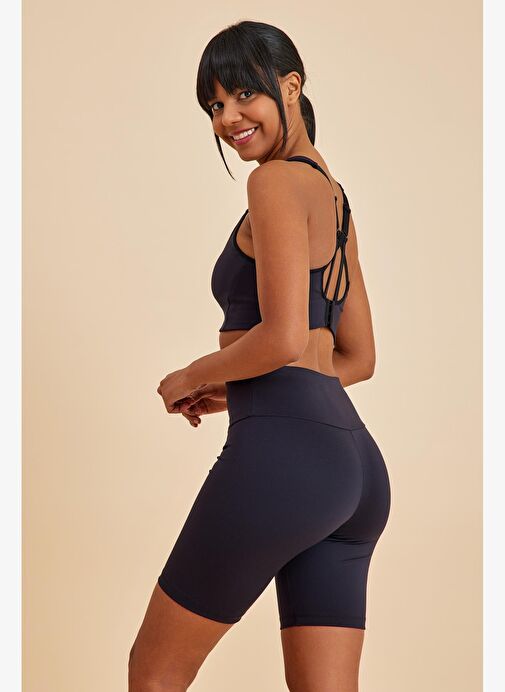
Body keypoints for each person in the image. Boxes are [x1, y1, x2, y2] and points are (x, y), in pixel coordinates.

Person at [128, 19, 391, 692]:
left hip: (285, 458)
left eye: (244, 93)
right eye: (214, 104)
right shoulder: (334, 197)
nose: (228, 117)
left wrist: (190, 376)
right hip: (355, 471)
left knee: (154, 673)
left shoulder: (273, 183)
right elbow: (357, 357)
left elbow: (280, 336)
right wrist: (241, 387)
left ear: (291, 86)